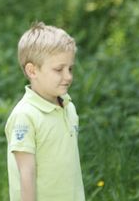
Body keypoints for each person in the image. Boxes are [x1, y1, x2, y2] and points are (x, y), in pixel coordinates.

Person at [5, 22, 84, 201]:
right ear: (32, 70)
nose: (68, 76)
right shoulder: (25, 116)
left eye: (70, 68)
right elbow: (26, 174)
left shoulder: (68, 107)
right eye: (59, 70)